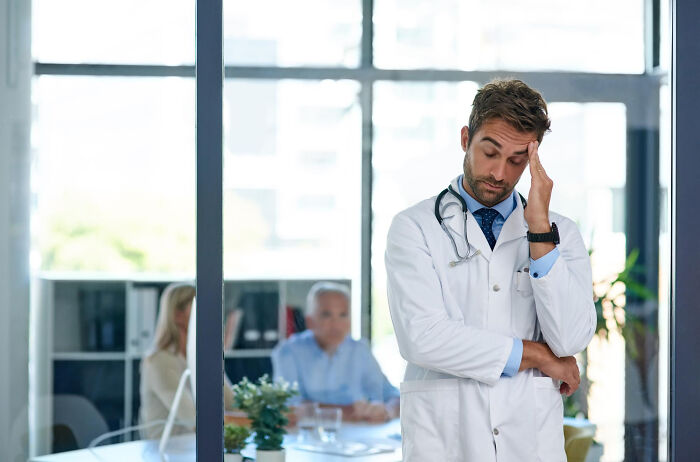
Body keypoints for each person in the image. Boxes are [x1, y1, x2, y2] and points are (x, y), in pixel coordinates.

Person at [385, 79, 596, 461]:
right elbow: (423, 338)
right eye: (490, 152)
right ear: (466, 138)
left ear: (534, 160)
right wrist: (537, 356)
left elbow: (570, 338)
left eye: (517, 160)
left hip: (530, 442)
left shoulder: (558, 232)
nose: (499, 173)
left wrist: (539, 232)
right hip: (445, 440)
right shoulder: (414, 227)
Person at [272, 282, 400, 423]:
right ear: (310, 321)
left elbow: (393, 395)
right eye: (326, 315)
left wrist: (387, 411)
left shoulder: (360, 350)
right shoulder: (288, 351)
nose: (335, 324)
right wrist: (345, 411)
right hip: (308, 438)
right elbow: (288, 407)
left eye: (343, 315)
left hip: (360, 436)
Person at [139, 282, 235, 439]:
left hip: (195, 449)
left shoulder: (202, 356)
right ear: (178, 315)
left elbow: (233, 403)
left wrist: (267, 414)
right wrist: (252, 421)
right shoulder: (159, 362)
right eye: (200, 307)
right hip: (168, 453)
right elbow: (195, 421)